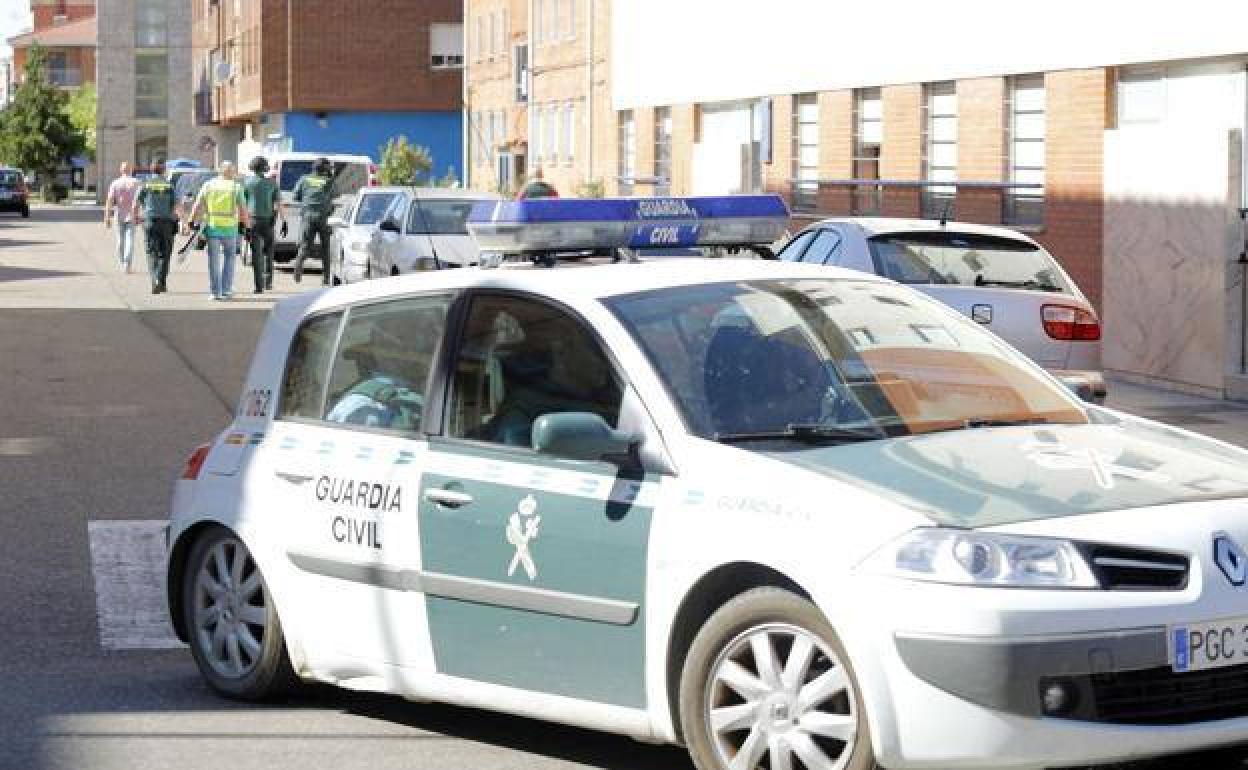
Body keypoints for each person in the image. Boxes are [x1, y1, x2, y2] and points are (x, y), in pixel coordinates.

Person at [185, 161, 250, 300]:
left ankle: (215, 292)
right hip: (230, 229)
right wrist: (247, 226)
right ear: (232, 172)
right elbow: (243, 209)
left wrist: (190, 220)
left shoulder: (209, 185)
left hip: (212, 228)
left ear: (220, 171)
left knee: (213, 261)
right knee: (230, 259)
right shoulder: (236, 187)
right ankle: (226, 290)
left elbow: (198, 203)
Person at [130, 159, 177, 294]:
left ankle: (156, 281)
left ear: (152, 170)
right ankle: (160, 281)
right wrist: (181, 220)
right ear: (163, 171)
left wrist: (135, 218)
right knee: (165, 253)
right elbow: (175, 205)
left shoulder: (145, 185)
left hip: (149, 221)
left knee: (152, 253)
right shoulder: (169, 186)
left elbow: (135, 204)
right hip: (166, 223)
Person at [288, 157, 335, 285]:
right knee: (326, 248)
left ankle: (298, 267)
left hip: (308, 216)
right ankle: (325, 278)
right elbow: (336, 194)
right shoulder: (328, 181)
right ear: (325, 169)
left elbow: (295, 196)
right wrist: (330, 177)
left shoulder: (304, 179)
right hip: (324, 218)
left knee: (304, 246)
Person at [242, 156, 280, 293]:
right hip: (268, 221)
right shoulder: (272, 183)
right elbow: (276, 204)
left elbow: (243, 205)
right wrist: (276, 218)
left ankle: (258, 287)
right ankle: (268, 282)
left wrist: (243, 224)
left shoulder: (247, 183)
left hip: (252, 221)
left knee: (256, 255)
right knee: (269, 252)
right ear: (265, 167)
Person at [103, 162, 141, 272]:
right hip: (132, 214)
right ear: (130, 170)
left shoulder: (115, 183)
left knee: (120, 239)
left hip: (119, 213)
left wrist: (107, 216)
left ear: (121, 170)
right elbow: (140, 200)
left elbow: (109, 200)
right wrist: (139, 215)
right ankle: (127, 264)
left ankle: (122, 261)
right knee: (130, 239)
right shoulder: (136, 182)